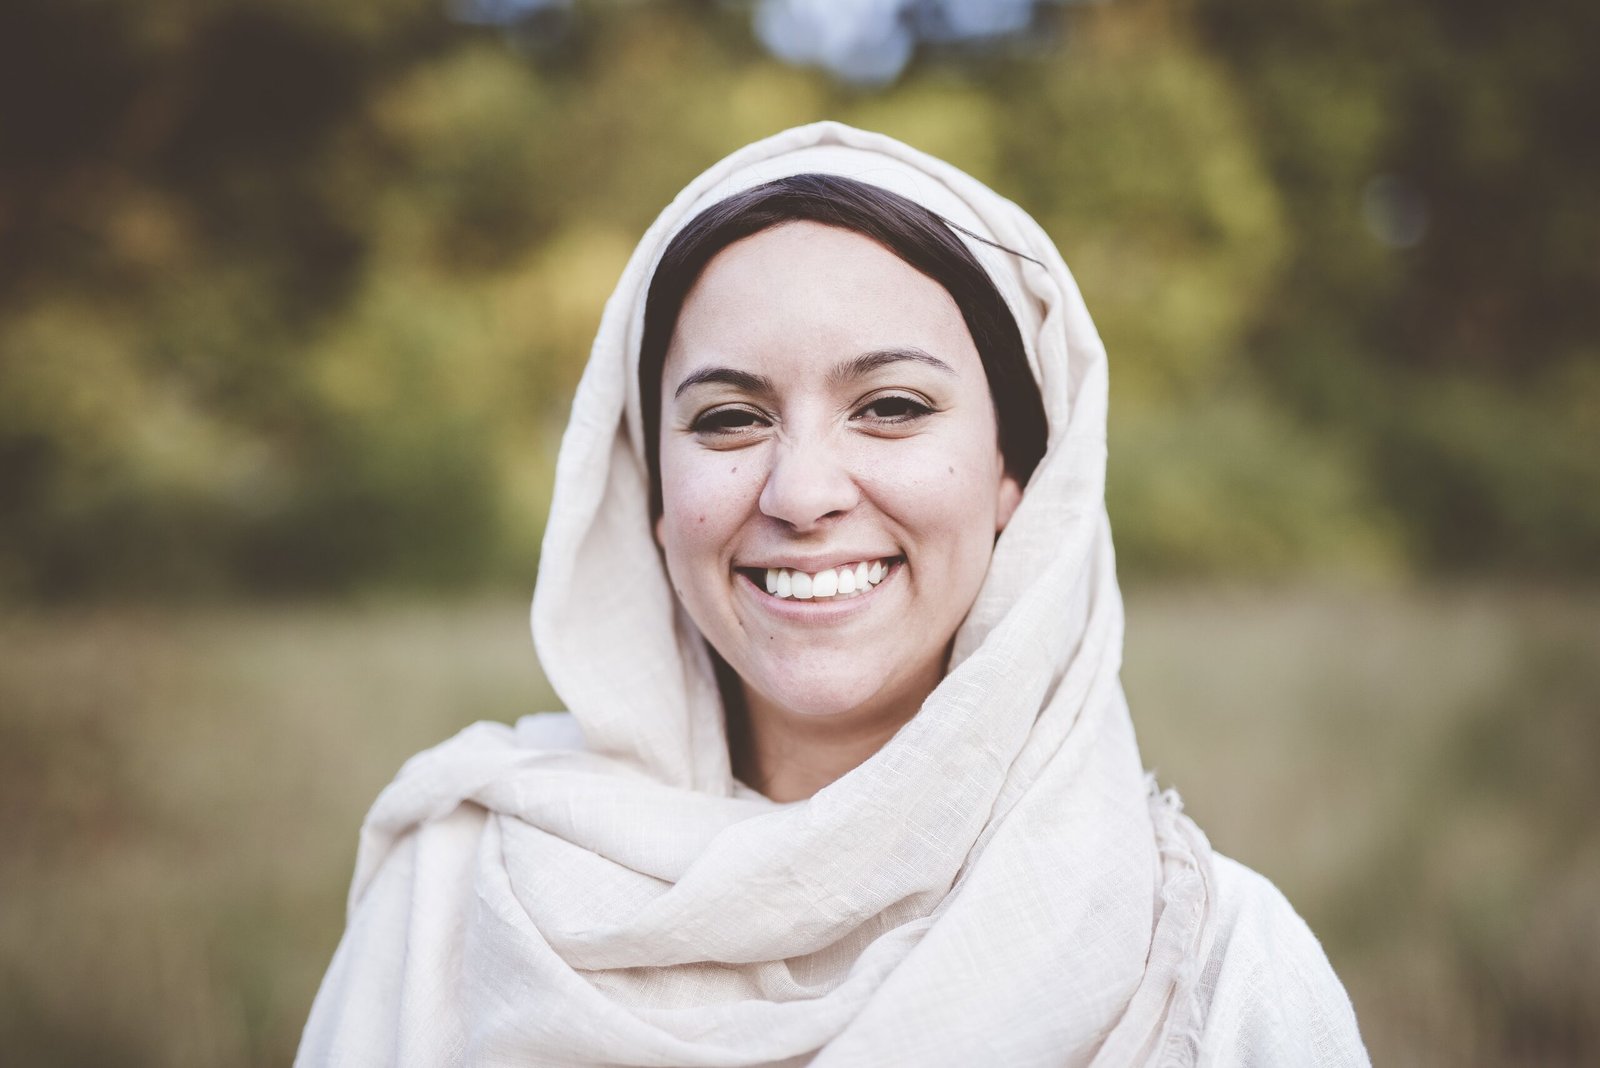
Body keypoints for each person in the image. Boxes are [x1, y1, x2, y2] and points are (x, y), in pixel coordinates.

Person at [296, 122, 1368, 1066]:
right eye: (728, 419)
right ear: (652, 495)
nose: (801, 493)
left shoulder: (1206, 961)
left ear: (1017, 473)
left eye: (892, 406)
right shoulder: (459, 895)